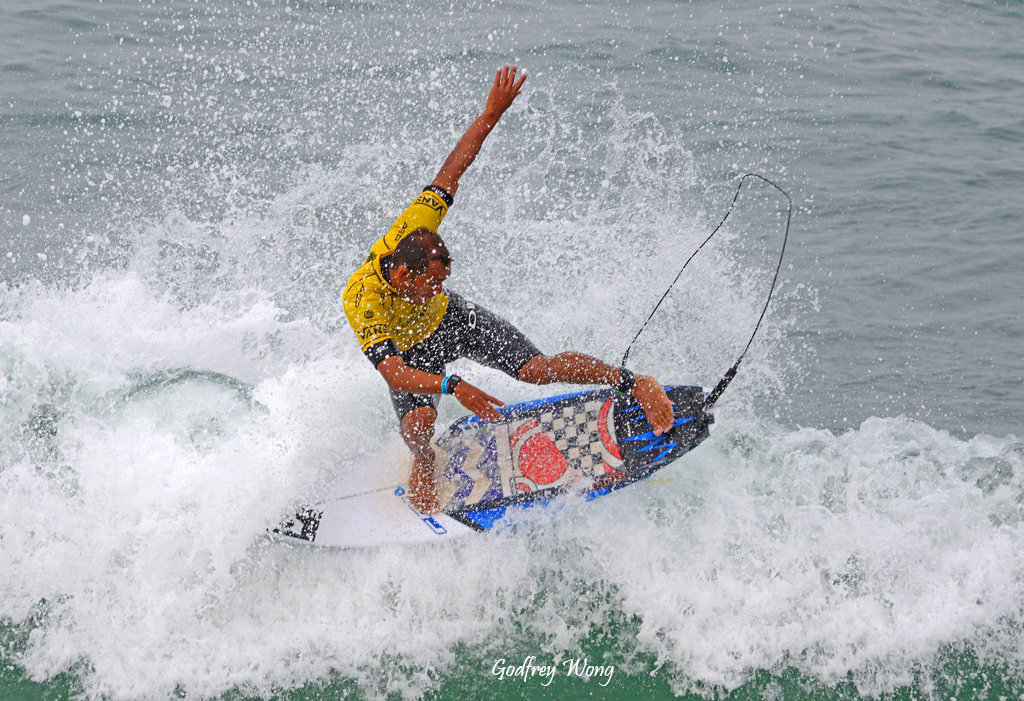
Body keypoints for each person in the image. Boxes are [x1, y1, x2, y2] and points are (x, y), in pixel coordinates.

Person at [343, 66, 674, 513]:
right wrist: (452, 385)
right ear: (404, 276)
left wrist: (491, 113)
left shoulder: (416, 227)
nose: (439, 286)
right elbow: (393, 372)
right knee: (420, 423)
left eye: (444, 279)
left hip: (455, 323)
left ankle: (634, 382)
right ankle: (424, 460)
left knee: (537, 368)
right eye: (433, 282)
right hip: (409, 354)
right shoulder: (364, 299)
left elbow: (452, 169)